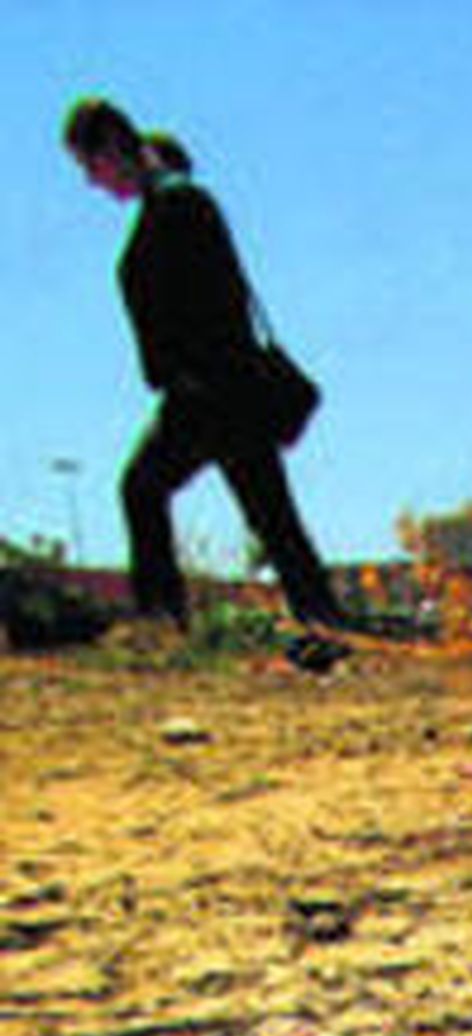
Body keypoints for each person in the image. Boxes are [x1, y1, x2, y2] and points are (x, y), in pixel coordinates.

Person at [62, 96, 347, 664]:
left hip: (209, 391)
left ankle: (163, 623)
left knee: (146, 489)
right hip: (220, 388)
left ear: (112, 149)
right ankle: (324, 621)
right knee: (270, 515)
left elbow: (217, 301)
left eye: (90, 166)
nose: (92, 183)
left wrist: (194, 376)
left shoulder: (178, 205)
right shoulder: (171, 203)